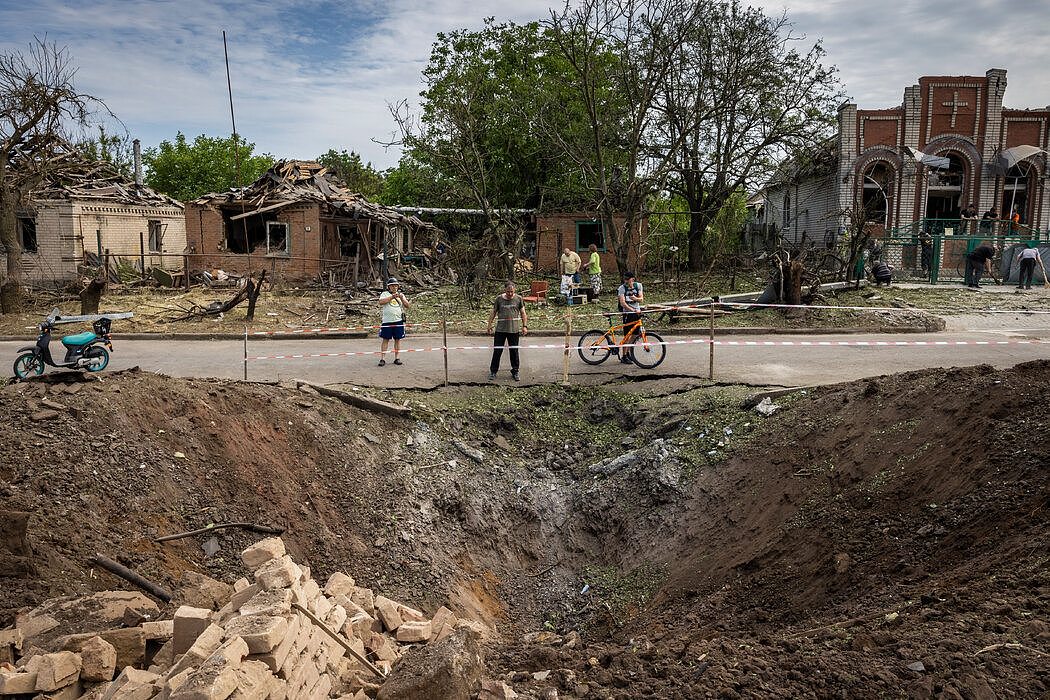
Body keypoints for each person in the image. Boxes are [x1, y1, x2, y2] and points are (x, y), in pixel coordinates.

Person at [486, 281, 528, 381]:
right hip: (500, 330)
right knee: (497, 351)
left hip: (513, 331)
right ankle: (493, 371)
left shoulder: (519, 299)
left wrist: (524, 326)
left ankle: (515, 371)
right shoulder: (499, 299)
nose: (510, 294)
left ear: (515, 290)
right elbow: (493, 312)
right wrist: (489, 325)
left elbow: (523, 313)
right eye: (508, 291)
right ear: (505, 290)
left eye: (512, 292)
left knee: (514, 351)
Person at [377, 277, 410, 366]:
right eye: (392, 286)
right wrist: (392, 297)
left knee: (398, 339)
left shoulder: (401, 295)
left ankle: (397, 358)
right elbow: (381, 302)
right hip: (387, 321)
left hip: (398, 321)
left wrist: (402, 298)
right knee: (385, 339)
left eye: (396, 286)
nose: (394, 287)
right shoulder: (384, 294)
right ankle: (383, 358)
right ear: (389, 287)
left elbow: (407, 305)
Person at [617, 271, 644, 364]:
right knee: (627, 335)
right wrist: (632, 310)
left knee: (635, 335)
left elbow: (641, 299)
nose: (626, 281)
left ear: (632, 279)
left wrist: (635, 299)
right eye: (625, 279)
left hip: (637, 313)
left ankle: (628, 353)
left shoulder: (638, 286)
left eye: (628, 279)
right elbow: (623, 303)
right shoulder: (622, 288)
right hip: (628, 314)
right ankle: (624, 356)